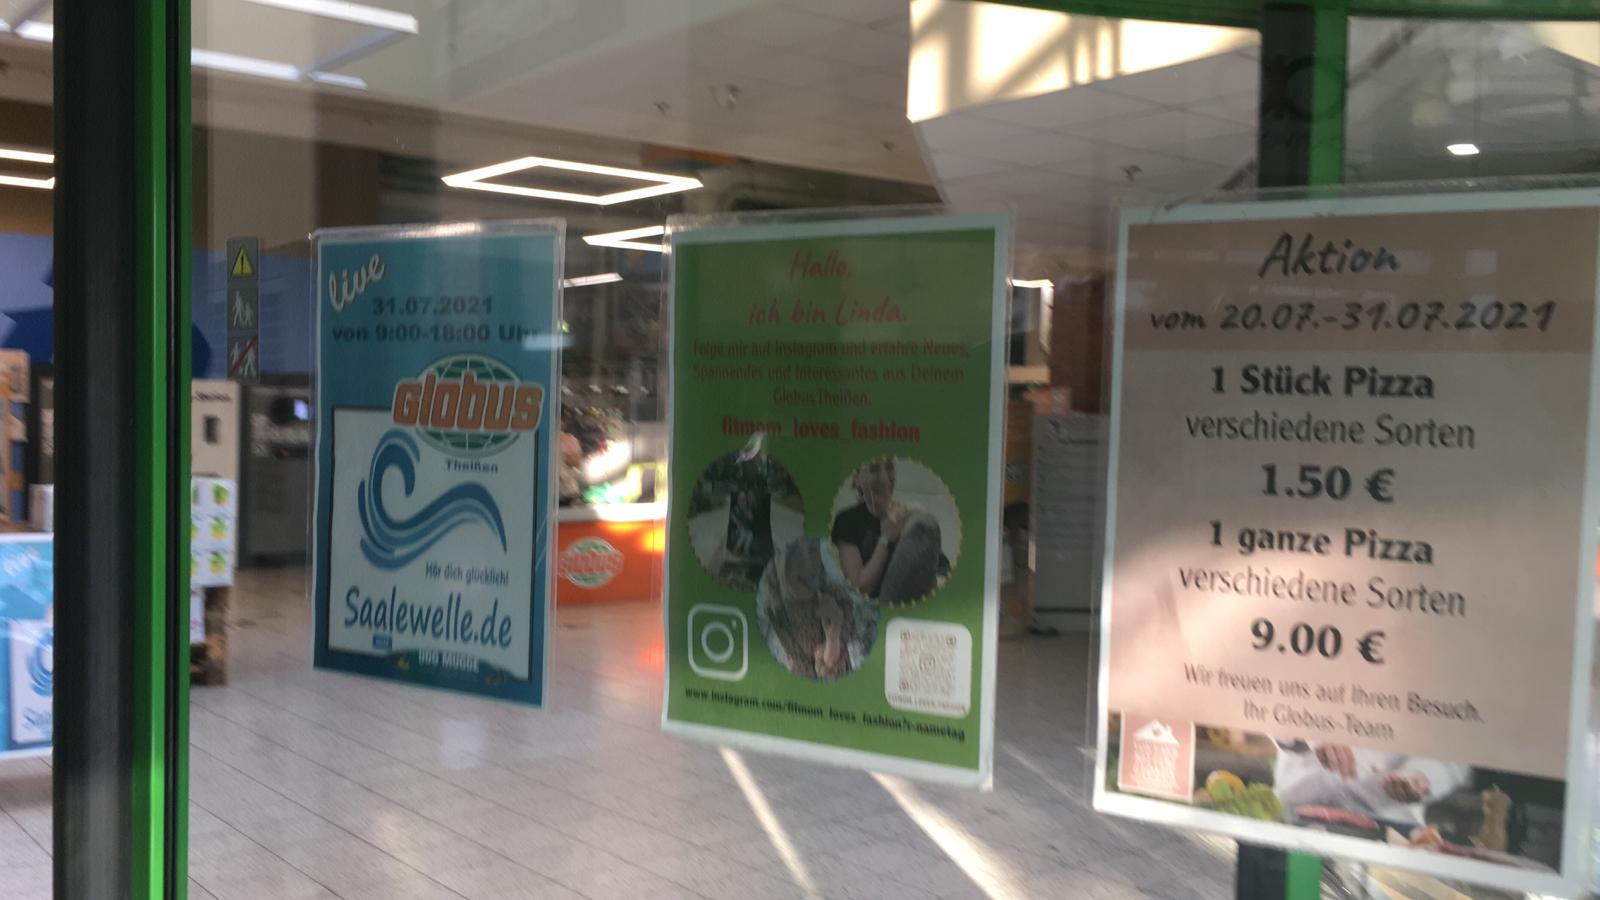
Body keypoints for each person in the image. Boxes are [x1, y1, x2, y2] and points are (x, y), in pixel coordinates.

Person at [1273, 741, 1470, 825]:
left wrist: (1425, 773)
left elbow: (1457, 742)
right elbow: (1271, 699)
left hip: (1385, 832)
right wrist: (1305, 731)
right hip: (1292, 814)